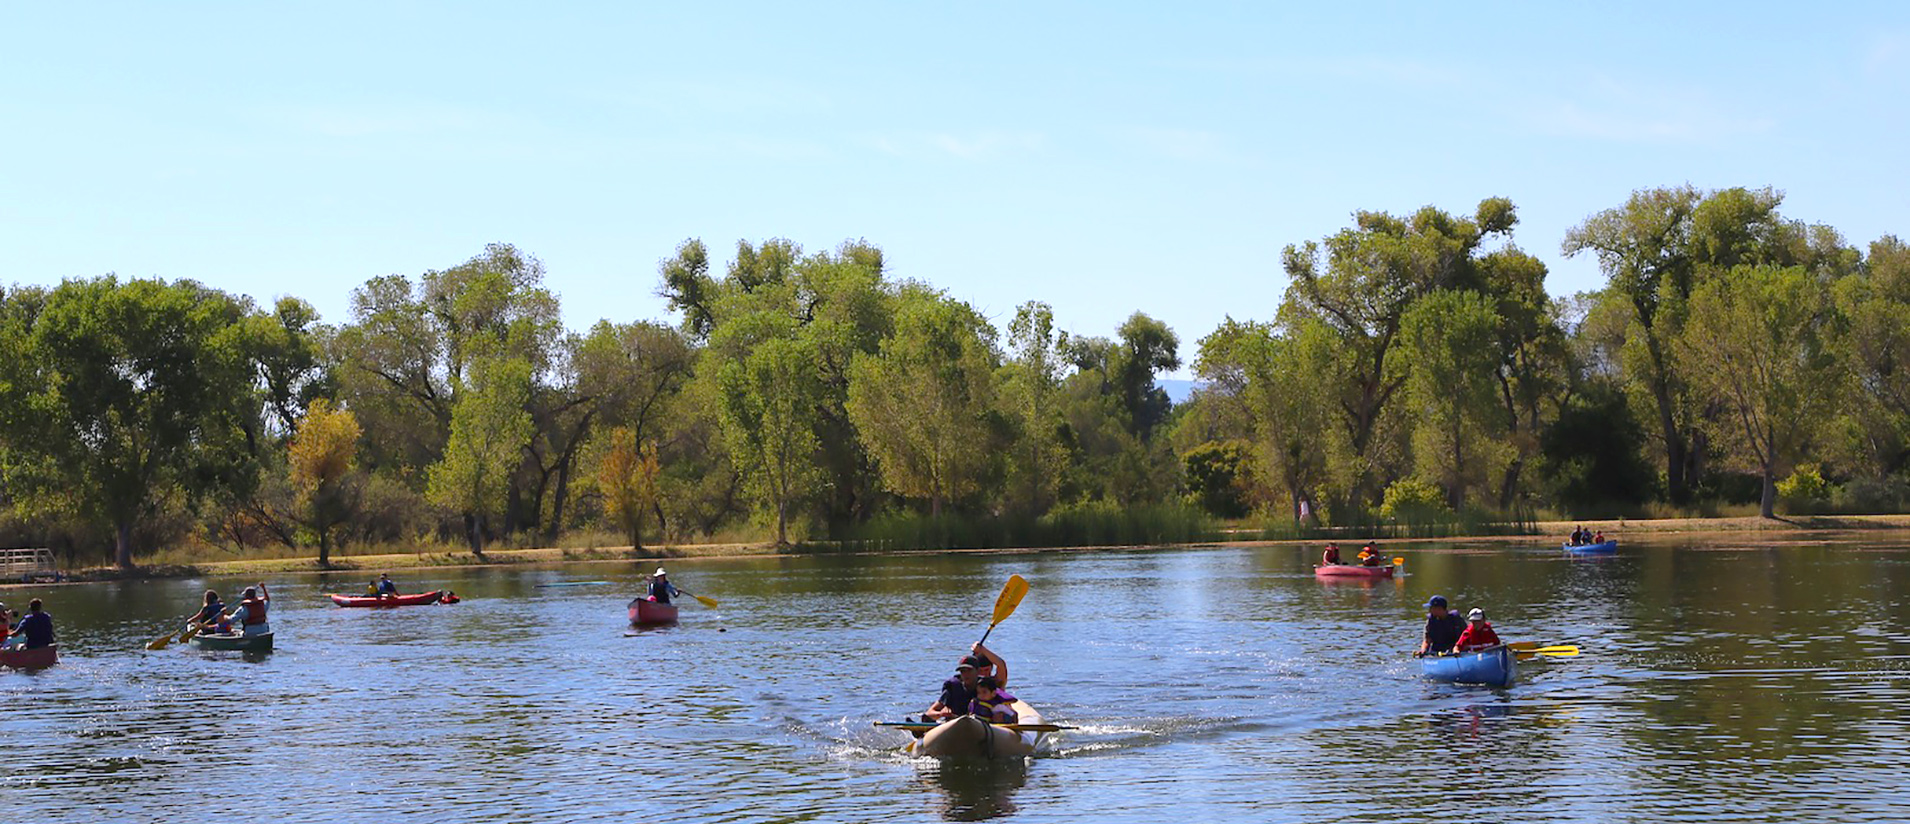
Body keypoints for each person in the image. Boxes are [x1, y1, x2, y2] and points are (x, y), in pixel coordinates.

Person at [924, 643, 1008, 721]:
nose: (965, 674)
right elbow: (930, 713)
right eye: (962, 671)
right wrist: (941, 714)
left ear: (977, 671)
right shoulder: (953, 687)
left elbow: (1001, 665)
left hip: (981, 725)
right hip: (956, 725)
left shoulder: (986, 685)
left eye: (969, 670)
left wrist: (982, 649)